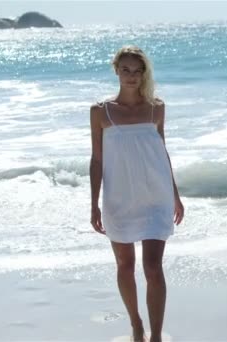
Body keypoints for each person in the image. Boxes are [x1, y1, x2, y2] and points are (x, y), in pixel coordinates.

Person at [89, 45, 184, 342]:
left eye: (137, 70)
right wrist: (93, 203)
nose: (131, 76)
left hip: (156, 195)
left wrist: (176, 194)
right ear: (116, 70)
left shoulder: (156, 107)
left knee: (153, 267)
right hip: (119, 198)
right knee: (125, 265)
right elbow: (97, 158)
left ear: (144, 73)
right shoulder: (101, 111)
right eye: (125, 70)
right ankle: (135, 323)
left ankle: (155, 336)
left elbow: (161, 151)